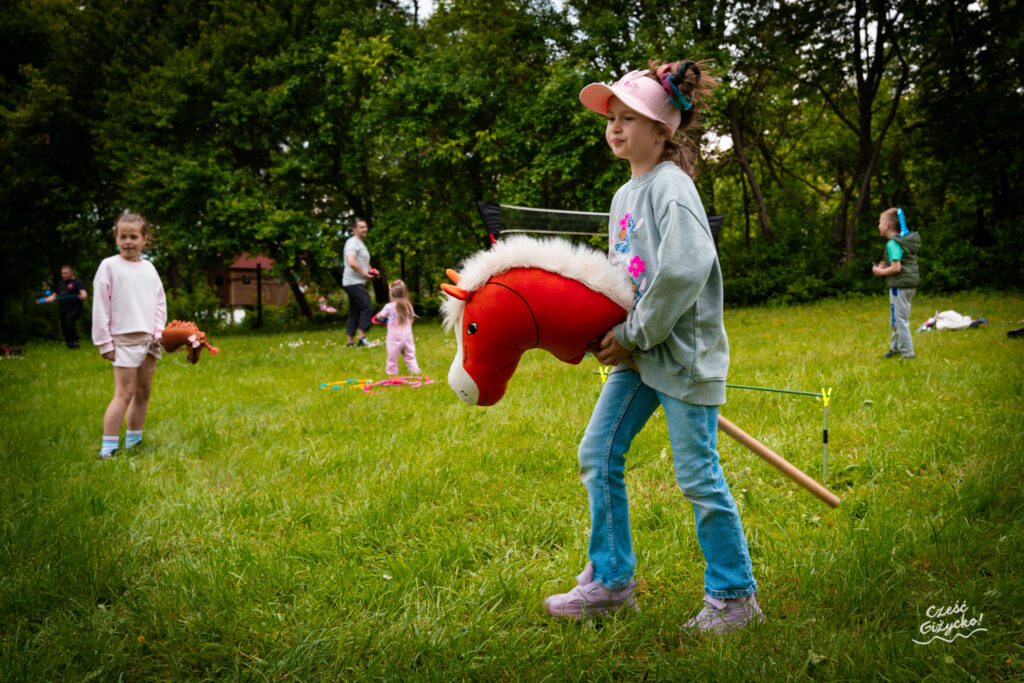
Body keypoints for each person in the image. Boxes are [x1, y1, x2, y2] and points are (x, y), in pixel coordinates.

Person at [543, 59, 762, 633]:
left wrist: (634, 333)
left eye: (628, 118)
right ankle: (612, 582)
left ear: (662, 130)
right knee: (598, 453)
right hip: (639, 359)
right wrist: (603, 327)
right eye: (610, 119)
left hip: (683, 358)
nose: (614, 127)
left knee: (697, 477)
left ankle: (735, 597)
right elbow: (624, 278)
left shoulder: (672, 187)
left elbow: (686, 267)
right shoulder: (624, 197)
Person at [91, 211, 166, 459]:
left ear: (145, 239)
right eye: (122, 237)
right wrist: (104, 342)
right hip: (123, 340)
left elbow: (159, 302)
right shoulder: (109, 266)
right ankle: (108, 448)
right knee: (124, 393)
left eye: (133, 237)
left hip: (149, 340)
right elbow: (100, 306)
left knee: (144, 391)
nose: (128, 242)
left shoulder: (149, 268)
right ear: (116, 238)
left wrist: (158, 332)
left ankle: (134, 441)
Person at [872, 208, 921, 359]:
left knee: (899, 321)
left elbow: (896, 268)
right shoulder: (903, 242)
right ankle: (896, 349)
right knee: (896, 319)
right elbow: (900, 263)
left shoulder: (893, 244)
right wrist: (885, 267)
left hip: (899, 287)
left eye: (880, 222)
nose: (879, 226)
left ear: (886, 225)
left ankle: (907, 353)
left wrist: (879, 272)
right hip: (908, 285)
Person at [342, 218, 380, 347]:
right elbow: (351, 262)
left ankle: (350, 341)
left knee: (355, 310)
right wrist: (365, 274)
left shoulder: (360, 243)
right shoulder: (352, 243)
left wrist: (372, 271)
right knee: (367, 307)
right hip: (352, 282)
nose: (365, 229)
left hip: (356, 281)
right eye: (361, 227)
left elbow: (363, 263)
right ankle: (362, 338)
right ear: (354, 230)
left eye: (365, 227)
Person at [374, 279, 421, 376]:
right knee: (410, 356)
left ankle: (392, 373)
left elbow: (378, 317)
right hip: (407, 336)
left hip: (394, 337)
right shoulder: (408, 305)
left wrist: (380, 317)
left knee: (392, 357)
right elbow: (411, 319)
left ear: (391, 294)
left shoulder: (389, 307)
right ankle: (415, 371)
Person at [40, 265, 88, 348]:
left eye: (66, 273)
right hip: (63, 309)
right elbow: (54, 296)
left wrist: (83, 296)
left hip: (75, 308)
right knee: (64, 326)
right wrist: (44, 300)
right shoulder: (60, 283)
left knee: (69, 322)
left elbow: (84, 293)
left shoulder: (78, 282)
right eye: (62, 273)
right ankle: (69, 343)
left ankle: (75, 343)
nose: (63, 275)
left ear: (72, 273)